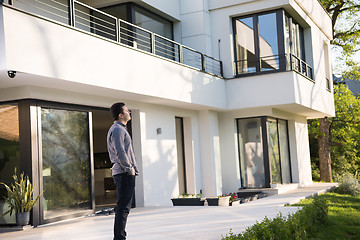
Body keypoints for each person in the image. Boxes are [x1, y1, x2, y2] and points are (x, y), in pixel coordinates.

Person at [107, 102, 138, 240]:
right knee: (123, 209)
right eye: (127, 110)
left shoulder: (118, 129)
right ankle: (119, 238)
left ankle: (119, 237)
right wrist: (129, 169)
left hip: (123, 173)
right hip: (124, 173)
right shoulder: (118, 129)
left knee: (123, 208)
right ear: (121, 115)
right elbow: (120, 152)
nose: (129, 112)